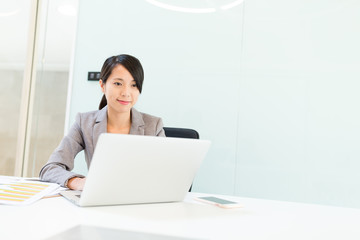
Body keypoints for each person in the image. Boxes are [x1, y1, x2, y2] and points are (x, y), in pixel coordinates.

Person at [39, 54, 165, 190]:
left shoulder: (154, 125)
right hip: (99, 200)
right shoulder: (84, 122)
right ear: (102, 85)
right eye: (118, 83)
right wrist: (77, 182)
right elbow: (50, 168)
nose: (126, 92)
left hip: (140, 200)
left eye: (133, 85)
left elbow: (167, 172)